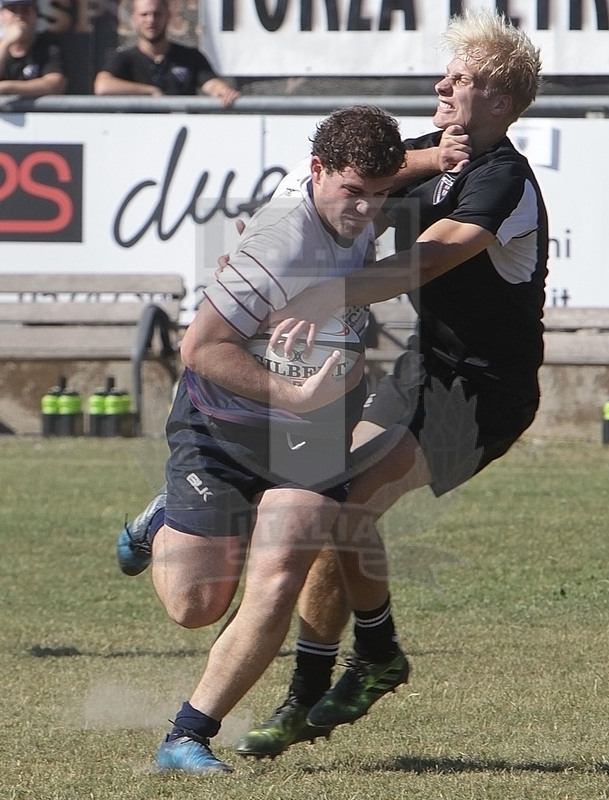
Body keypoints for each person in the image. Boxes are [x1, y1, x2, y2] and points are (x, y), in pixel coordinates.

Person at [233, 8, 548, 757]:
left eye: (462, 79)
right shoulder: (440, 155)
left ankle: (345, 671)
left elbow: (427, 260)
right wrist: (259, 259)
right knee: (330, 500)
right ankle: (363, 662)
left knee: (343, 500)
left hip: (484, 393)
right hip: (424, 370)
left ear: (500, 102)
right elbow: (342, 184)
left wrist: (326, 295)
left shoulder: (503, 180)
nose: (442, 85)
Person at [117, 105, 408, 774]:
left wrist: (450, 150)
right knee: (196, 606)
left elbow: (400, 164)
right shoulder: (278, 240)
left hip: (313, 437)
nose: (366, 209)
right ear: (316, 172)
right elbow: (199, 348)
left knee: (279, 575)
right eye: (353, 192)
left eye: (379, 192)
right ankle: (161, 516)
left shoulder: (360, 193)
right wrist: (292, 393)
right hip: (223, 427)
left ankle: (186, 736)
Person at [93, 0, 240, 106]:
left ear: (168, 16)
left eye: (157, 14)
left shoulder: (190, 56)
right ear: (134, 19)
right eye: (144, 15)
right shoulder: (124, 58)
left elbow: (211, 83)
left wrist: (224, 91)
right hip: (136, 137)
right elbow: (103, 86)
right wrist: (150, 91)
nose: (151, 20)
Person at [0, 0, 67, 97]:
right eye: (13, 10)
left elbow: (55, 84)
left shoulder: (48, 46)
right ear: (2, 15)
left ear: (35, 14)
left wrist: (7, 87)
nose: (19, 16)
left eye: (25, 10)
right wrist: (6, 43)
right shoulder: (2, 46)